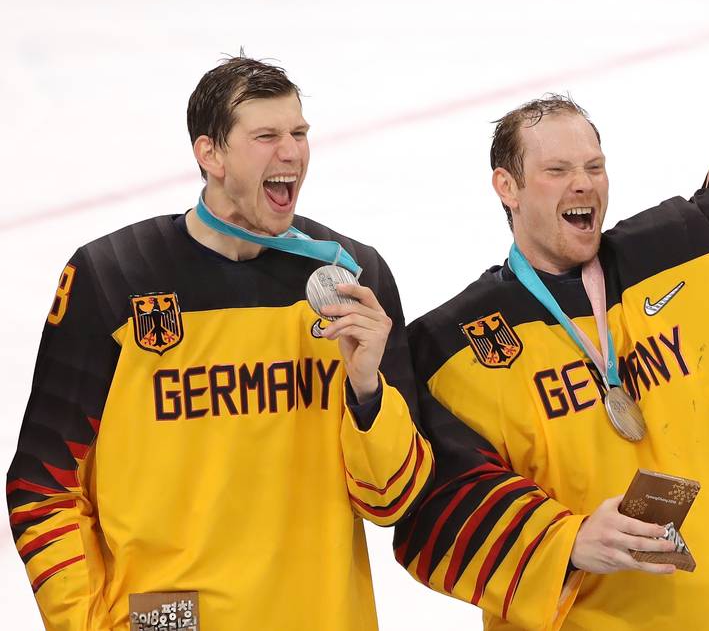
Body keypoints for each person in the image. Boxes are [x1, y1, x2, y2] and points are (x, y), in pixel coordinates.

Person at [394, 18, 709, 630]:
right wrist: (564, 542)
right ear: (506, 187)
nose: (584, 184)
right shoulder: (453, 346)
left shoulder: (691, 247)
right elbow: (432, 504)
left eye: (594, 165)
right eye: (558, 171)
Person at [6, 57, 434, 630]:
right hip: (172, 621)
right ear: (210, 154)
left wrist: (367, 393)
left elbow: (392, 503)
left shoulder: (351, 280)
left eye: (299, 133)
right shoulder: (113, 278)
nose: (291, 152)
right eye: (266, 136)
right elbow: (42, 485)